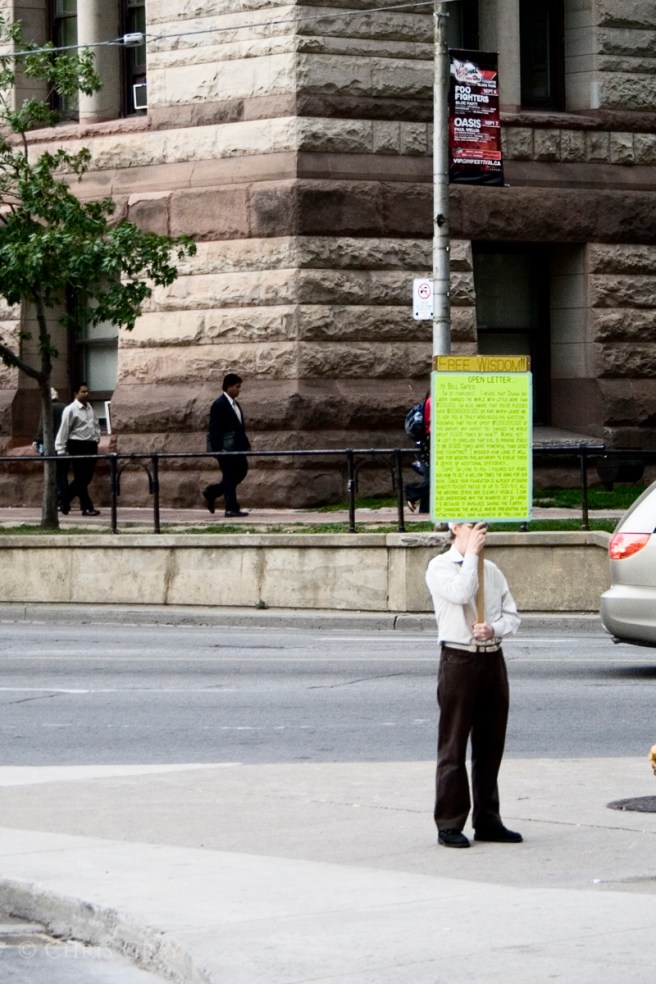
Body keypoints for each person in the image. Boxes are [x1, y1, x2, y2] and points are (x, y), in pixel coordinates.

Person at [425, 521, 522, 848]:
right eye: (471, 525)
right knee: (453, 744)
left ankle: (488, 819)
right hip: (459, 659)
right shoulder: (439, 567)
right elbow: (461, 592)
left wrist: (493, 629)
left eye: (483, 526)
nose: (480, 532)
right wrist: (471, 556)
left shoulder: (491, 570)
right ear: (454, 528)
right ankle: (450, 822)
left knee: (490, 743)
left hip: (491, 658)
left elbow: (513, 615)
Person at [202, 372, 251, 517]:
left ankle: (212, 492)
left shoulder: (236, 405)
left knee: (242, 470)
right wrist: (218, 449)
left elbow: (239, 427)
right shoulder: (219, 404)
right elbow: (214, 428)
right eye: (237, 386)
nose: (239, 389)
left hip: (237, 447)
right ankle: (231, 508)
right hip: (225, 448)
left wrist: (246, 443)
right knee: (229, 476)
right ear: (228, 387)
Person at [55, 382, 101, 516]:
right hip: (77, 444)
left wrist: (97, 437)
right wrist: (61, 449)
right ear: (75, 393)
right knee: (81, 478)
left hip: (91, 445)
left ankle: (63, 499)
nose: (86, 394)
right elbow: (64, 430)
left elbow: (95, 423)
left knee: (86, 478)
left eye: (87, 391)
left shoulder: (90, 408)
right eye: (83, 392)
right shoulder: (70, 410)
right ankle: (86, 507)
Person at [33, 388, 68, 509]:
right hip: (64, 446)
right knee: (62, 474)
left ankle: (58, 501)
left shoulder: (48, 408)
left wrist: (37, 440)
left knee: (54, 475)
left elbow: (43, 427)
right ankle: (65, 500)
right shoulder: (65, 407)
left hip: (51, 445)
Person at [405, 392, 430, 514]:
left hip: (424, 444)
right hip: (429, 444)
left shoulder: (429, 402)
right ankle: (411, 492)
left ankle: (426, 509)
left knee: (430, 477)